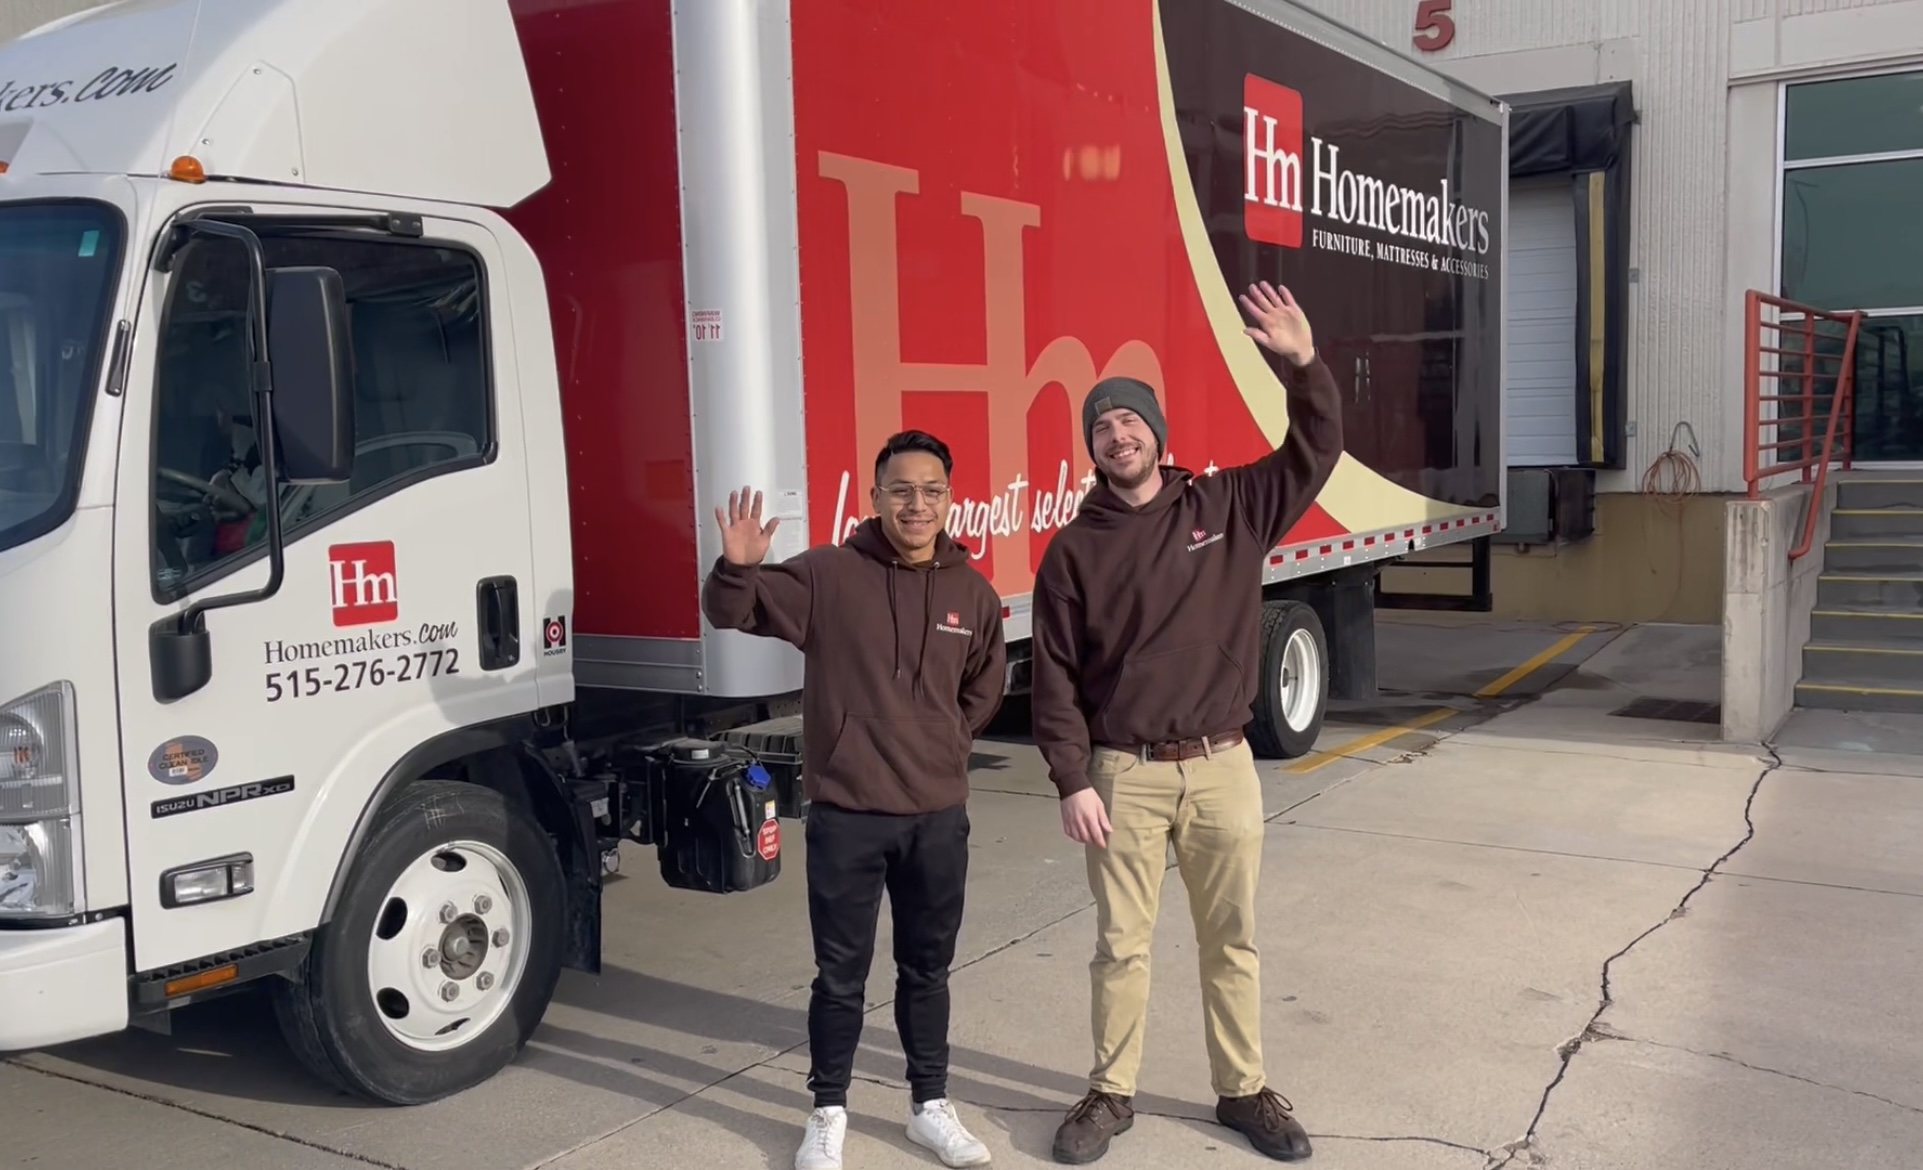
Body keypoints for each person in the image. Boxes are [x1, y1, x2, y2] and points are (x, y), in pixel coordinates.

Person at [1029, 282, 1343, 1164]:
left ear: (1156, 436)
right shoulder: (1073, 549)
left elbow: (1315, 449)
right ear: (1089, 449)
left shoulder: (1230, 506)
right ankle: (1109, 1093)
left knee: (1229, 939)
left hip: (1220, 764)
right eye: (1101, 428)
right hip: (1121, 773)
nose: (1117, 437)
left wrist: (1302, 363)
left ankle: (1242, 1091)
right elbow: (1053, 673)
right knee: (1119, 947)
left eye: (1129, 422)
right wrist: (1069, 778)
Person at [701, 430, 1009, 1170]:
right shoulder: (827, 576)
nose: (916, 503)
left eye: (930, 490)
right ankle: (827, 1112)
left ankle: (929, 1106)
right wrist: (736, 567)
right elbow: (730, 610)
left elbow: (984, 688)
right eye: (900, 490)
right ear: (874, 499)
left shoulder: (972, 593)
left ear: (948, 498)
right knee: (840, 975)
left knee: (925, 968)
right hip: (847, 815)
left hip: (935, 815)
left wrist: (940, 744)